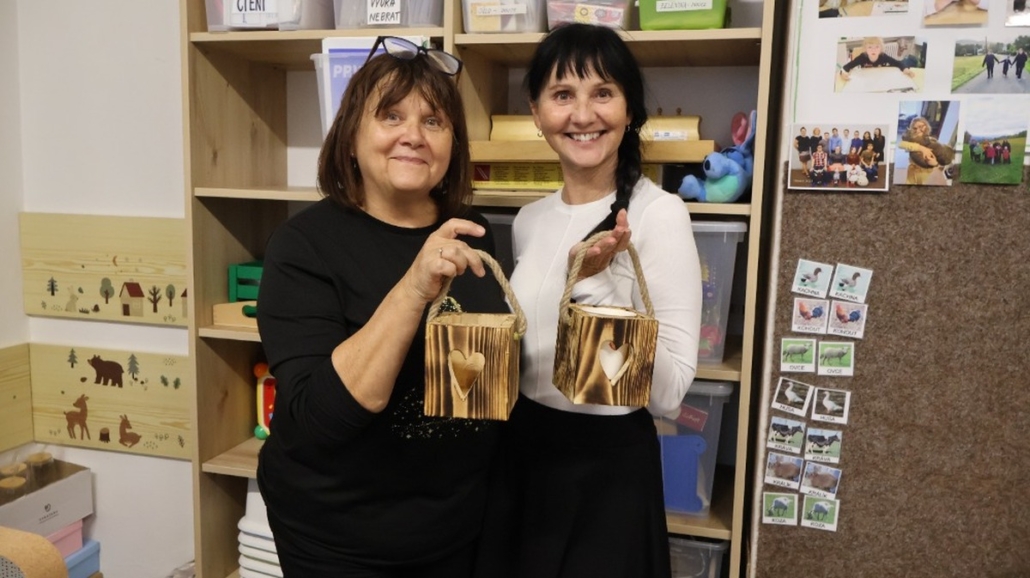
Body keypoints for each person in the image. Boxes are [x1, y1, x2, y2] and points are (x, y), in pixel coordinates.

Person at [255, 37, 510, 577]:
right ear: (351, 137)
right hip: (340, 539)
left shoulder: (474, 233)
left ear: (452, 144)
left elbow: (485, 379)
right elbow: (319, 419)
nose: (413, 135)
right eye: (391, 116)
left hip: (456, 526)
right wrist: (413, 288)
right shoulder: (303, 246)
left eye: (433, 121)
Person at [475, 23, 702, 578]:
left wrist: (595, 285)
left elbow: (670, 393)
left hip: (607, 471)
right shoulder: (529, 219)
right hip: (522, 453)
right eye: (562, 95)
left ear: (629, 109)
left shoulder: (658, 214)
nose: (582, 115)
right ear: (536, 113)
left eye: (602, 92)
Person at [898, 115, 954, 184]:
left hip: (925, 172)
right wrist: (921, 148)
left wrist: (935, 164)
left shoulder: (931, 139)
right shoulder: (910, 139)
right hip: (913, 169)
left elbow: (940, 159)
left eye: (920, 127)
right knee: (909, 183)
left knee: (921, 183)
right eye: (915, 128)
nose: (917, 130)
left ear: (926, 126)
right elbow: (901, 144)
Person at [839, 37, 916, 82]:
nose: (873, 50)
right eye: (870, 47)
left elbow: (897, 63)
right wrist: (843, 73)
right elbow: (847, 66)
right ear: (865, 49)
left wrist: (905, 69)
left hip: (880, 80)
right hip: (867, 80)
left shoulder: (883, 56)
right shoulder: (862, 57)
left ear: (881, 49)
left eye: (877, 47)